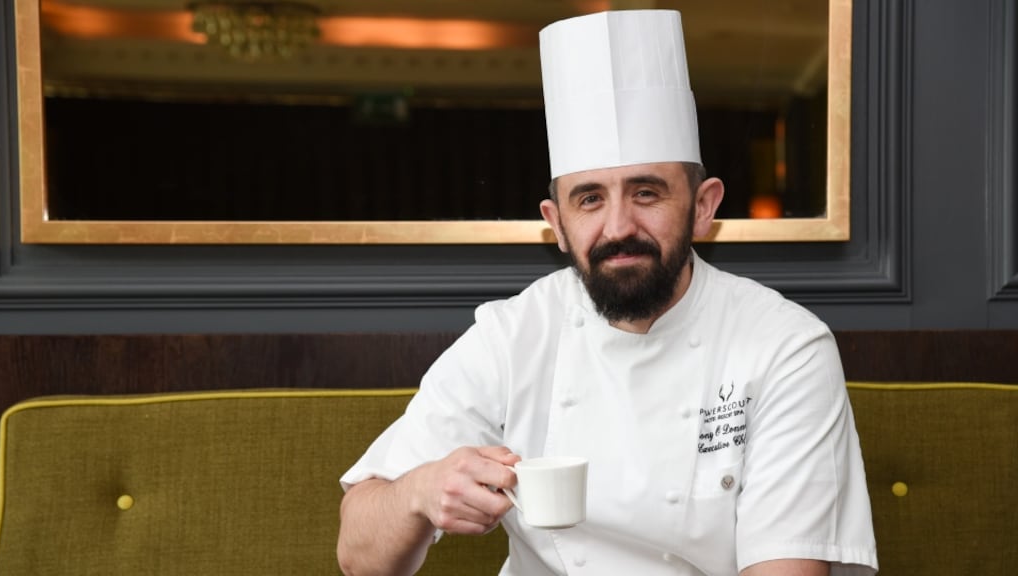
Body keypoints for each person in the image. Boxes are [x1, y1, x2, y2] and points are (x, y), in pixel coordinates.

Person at [337, 10, 878, 576]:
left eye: (646, 193)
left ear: (703, 207)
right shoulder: (513, 335)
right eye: (590, 199)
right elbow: (358, 556)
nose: (618, 227)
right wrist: (420, 491)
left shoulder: (786, 346)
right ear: (557, 223)